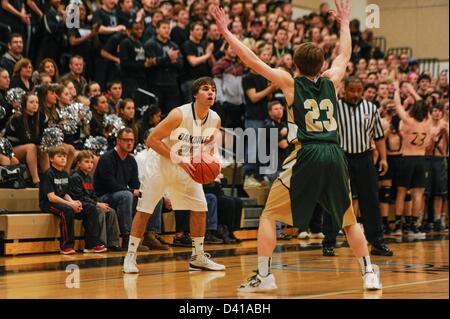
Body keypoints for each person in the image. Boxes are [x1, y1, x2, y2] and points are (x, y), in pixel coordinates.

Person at [212, 1, 382, 292]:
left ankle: (264, 276)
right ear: (323, 65)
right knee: (348, 219)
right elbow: (346, 53)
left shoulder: (290, 83)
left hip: (307, 153)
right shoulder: (332, 79)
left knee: (268, 215)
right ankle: (368, 272)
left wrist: (227, 33)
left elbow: (252, 61)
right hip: (335, 153)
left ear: (294, 63)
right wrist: (343, 23)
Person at [123, 76, 225, 273]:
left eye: (213, 89)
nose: (211, 92)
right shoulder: (179, 114)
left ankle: (198, 256)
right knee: (145, 210)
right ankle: (130, 257)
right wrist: (178, 159)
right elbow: (151, 140)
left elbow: (209, 147)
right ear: (195, 95)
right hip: (161, 164)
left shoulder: (215, 119)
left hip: (188, 167)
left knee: (200, 208)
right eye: (205, 89)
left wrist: (210, 161)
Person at [321, 76, 393, 257]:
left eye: (358, 91)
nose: (355, 94)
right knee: (335, 199)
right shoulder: (334, 107)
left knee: (370, 200)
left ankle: (377, 242)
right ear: (344, 90)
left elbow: (378, 136)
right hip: (341, 157)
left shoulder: (371, 108)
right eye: (351, 90)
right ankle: (329, 242)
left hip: (365, 158)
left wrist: (383, 158)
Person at [392, 81, 446, 237]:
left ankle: (397, 226)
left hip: (407, 159)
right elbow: (423, 105)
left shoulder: (408, 121)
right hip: (422, 160)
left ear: (414, 109)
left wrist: (397, 90)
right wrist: (413, 91)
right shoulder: (428, 122)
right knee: (418, 194)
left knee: (401, 193)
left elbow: (398, 106)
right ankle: (413, 227)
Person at [94, 127, 142, 249]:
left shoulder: (131, 160)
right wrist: (132, 191)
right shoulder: (107, 158)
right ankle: (127, 239)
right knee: (127, 195)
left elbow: (135, 184)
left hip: (120, 194)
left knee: (149, 197)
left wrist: (141, 192)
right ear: (118, 141)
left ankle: (149, 235)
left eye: (132, 140)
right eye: (126, 140)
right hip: (103, 196)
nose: (130, 143)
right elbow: (111, 185)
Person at [70, 150, 122, 252]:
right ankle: (99, 242)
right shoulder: (75, 177)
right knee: (99, 211)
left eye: (91, 162)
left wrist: (100, 202)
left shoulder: (89, 178)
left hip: (90, 204)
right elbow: (79, 197)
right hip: (80, 206)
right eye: (86, 161)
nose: (90, 164)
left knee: (111, 211)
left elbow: (93, 195)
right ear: (79, 163)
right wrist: (98, 204)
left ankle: (113, 242)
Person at [39, 146, 82, 254]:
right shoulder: (48, 174)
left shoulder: (65, 174)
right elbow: (51, 197)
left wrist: (73, 202)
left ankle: (91, 243)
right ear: (51, 159)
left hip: (60, 202)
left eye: (64, 156)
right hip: (47, 203)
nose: (63, 159)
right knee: (67, 210)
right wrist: (70, 205)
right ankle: (65, 246)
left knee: (81, 207)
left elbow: (65, 193)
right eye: (59, 156)